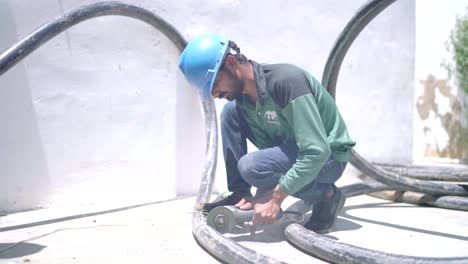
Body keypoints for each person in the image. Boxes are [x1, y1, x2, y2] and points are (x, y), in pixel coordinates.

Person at [178, 34, 355, 234]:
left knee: (250, 166)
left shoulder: (286, 82)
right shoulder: (245, 100)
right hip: (296, 151)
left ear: (231, 62)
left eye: (214, 83)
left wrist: (275, 198)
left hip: (329, 156)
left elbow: (317, 151)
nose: (214, 94)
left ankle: (326, 195)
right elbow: (270, 151)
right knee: (230, 112)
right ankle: (240, 193)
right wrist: (260, 192)